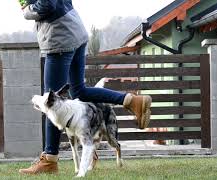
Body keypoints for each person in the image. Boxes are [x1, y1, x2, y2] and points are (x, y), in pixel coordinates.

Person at [19, 0, 152, 175]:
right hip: (74, 31)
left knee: (49, 101)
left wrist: (26, 10)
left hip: (59, 37)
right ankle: (130, 100)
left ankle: (49, 160)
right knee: (79, 91)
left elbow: (47, 5)